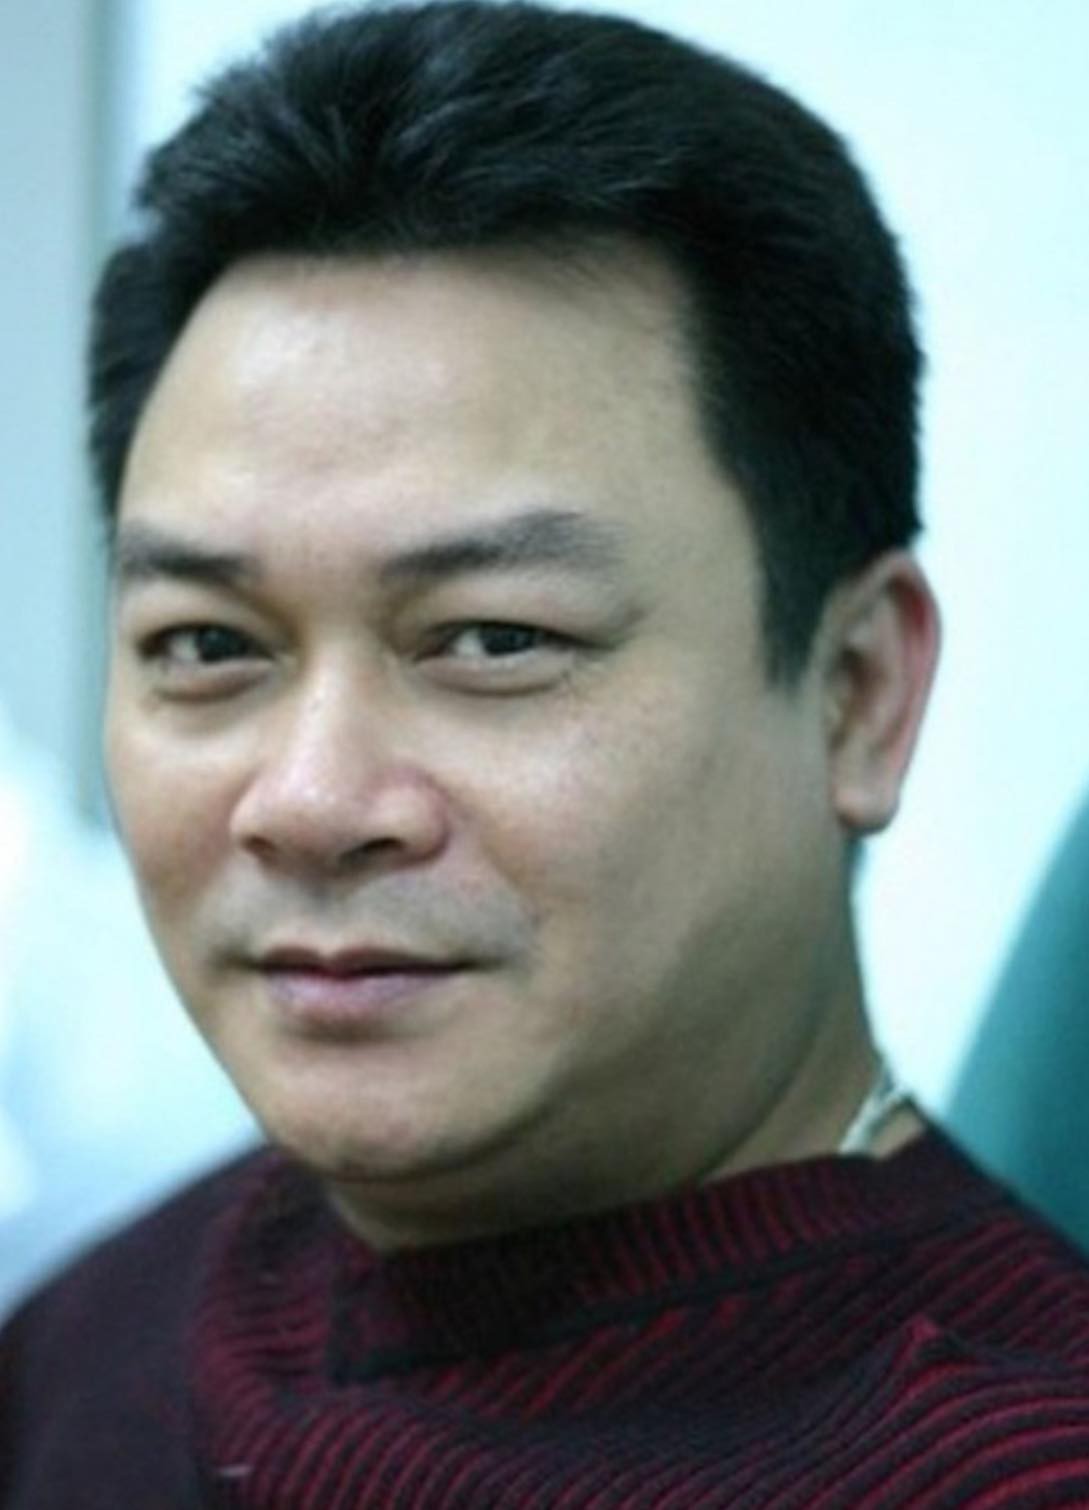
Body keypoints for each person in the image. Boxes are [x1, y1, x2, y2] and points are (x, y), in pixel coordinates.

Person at [2, 2, 1088, 1504]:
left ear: (855, 695)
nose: (310, 800)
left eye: (494, 637)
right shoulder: (100, 1332)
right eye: (207, 644)